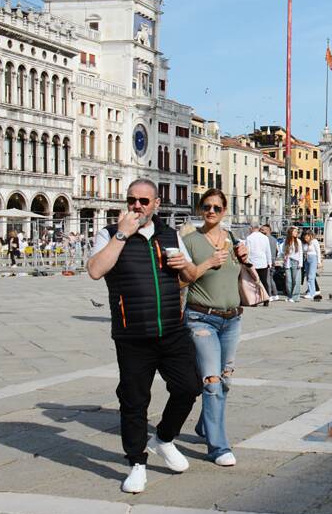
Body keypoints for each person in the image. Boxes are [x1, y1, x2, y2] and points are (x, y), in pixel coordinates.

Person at [86, 178, 203, 494]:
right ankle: (137, 463)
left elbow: (191, 276)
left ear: (156, 204)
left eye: (143, 201)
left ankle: (163, 439)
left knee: (189, 387)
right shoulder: (109, 234)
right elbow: (96, 270)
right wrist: (122, 234)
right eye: (132, 200)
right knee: (134, 400)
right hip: (132, 333)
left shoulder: (169, 234)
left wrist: (184, 266)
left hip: (172, 330)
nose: (136, 206)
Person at [181, 188, 249, 467]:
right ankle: (218, 447)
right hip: (201, 319)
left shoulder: (232, 239)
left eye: (216, 208)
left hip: (232, 318)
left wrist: (243, 257)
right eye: (206, 207)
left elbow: (237, 276)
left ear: (224, 211)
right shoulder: (189, 241)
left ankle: (204, 425)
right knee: (211, 382)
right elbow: (181, 281)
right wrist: (209, 262)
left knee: (225, 380)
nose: (211, 211)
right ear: (200, 209)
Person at [243, 223, 273, 303]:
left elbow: (247, 251)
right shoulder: (265, 238)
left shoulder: (249, 238)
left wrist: (246, 262)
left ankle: (255, 300)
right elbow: (268, 251)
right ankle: (266, 299)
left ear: (251, 228)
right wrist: (269, 262)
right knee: (264, 281)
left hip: (253, 263)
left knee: (253, 282)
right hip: (263, 262)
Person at [281, 227, 303, 302]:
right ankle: (290, 295)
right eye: (295, 231)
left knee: (296, 280)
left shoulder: (298, 241)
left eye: (297, 231)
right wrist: (284, 257)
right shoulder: (286, 241)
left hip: (295, 261)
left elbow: (300, 253)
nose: (296, 233)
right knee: (288, 280)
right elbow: (283, 251)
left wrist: (300, 263)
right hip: (288, 261)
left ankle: (295, 297)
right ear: (291, 233)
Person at [260, 224, 280, 300]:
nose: (260, 231)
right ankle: (275, 293)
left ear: (267, 230)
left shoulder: (264, 239)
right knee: (271, 278)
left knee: (267, 278)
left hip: (267, 261)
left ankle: (269, 294)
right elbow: (277, 251)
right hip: (273, 260)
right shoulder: (275, 240)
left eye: (262, 230)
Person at [301, 229, 322, 299]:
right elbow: (303, 251)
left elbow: (318, 252)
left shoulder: (314, 241)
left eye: (307, 236)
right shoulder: (303, 243)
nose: (305, 238)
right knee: (308, 276)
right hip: (306, 259)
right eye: (304, 236)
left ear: (310, 236)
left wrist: (319, 262)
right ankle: (311, 291)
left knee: (311, 276)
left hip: (313, 258)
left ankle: (311, 293)